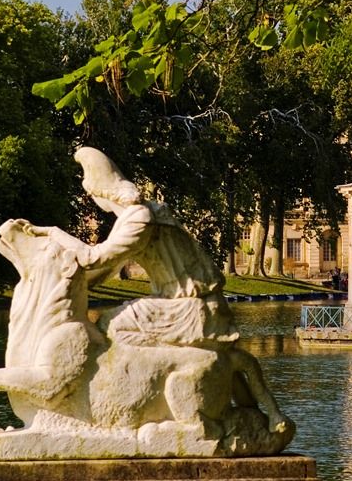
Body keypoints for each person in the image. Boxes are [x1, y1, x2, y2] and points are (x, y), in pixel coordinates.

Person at [28, 147, 238, 349]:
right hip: (184, 300)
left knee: (108, 326)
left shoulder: (139, 219)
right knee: (110, 322)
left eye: (91, 194)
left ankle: (146, 376)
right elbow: (105, 269)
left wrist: (54, 233)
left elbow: (93, 259)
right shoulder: (145, 212)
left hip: (190, 305)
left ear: (101, 192)